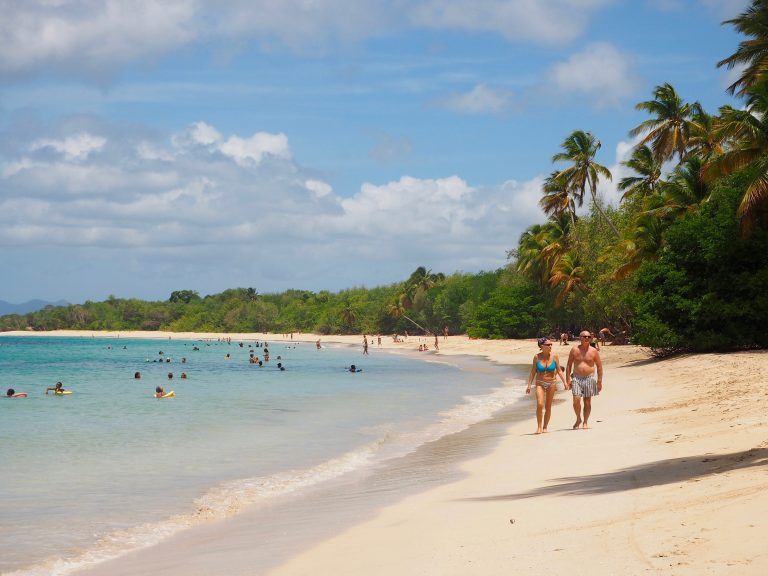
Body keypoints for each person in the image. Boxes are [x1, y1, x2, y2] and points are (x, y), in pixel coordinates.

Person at [526, 337, 568, 434]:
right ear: (541, 346)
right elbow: (533, 372)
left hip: (551, 383)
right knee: (540, 404)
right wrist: (529, 385)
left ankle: (545, 427)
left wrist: (565, 382)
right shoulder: (536, 357)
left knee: (548, 406)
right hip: (540, 383)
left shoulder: (555, 357)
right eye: (548, 345)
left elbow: (559, 371)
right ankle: (539, 427)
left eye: (551, 345)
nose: (550, 346)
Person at [566, 331, 604, 429]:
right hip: (576, 378)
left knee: (587, 402)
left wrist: (599, 381)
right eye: (584, 336)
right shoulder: (574, 349)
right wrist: (567, 380)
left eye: (588, 336)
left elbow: (599, 366)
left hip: (589, 378)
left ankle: (585, 421)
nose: (587, 338)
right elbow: (569, 365)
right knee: (576, 400)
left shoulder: (593, 351)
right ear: (580, 338)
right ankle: (578, 418)